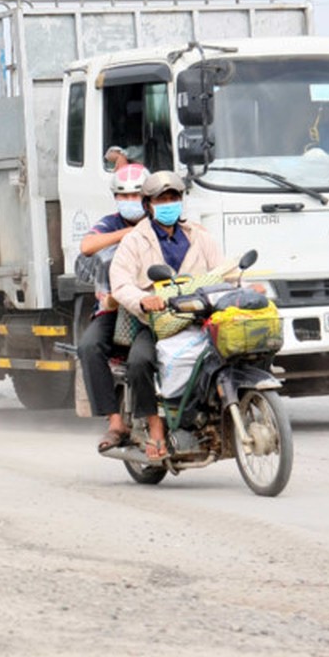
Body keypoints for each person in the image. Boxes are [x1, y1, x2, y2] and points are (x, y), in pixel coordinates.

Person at [109, 171, 226, 462]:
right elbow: (121, 283)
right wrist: (143, 300)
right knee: (140, 362)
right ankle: (155, 428)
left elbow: (223, 273)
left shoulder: (199, 235)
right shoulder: (134, 241)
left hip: (201, 317)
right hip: (159, 323)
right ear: (148, 204)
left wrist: (246, 288)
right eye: (162, 199)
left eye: (174, 198)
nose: (169, 203)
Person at [76, 162, 148, 454]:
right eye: (124, 196)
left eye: (136, 195)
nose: (130, 201)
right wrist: (127, 234)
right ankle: (115, 421)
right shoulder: (111, 224)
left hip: (152, 308)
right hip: (114, 309)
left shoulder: (162, 224)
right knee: (89, 346)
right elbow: (87, 246)